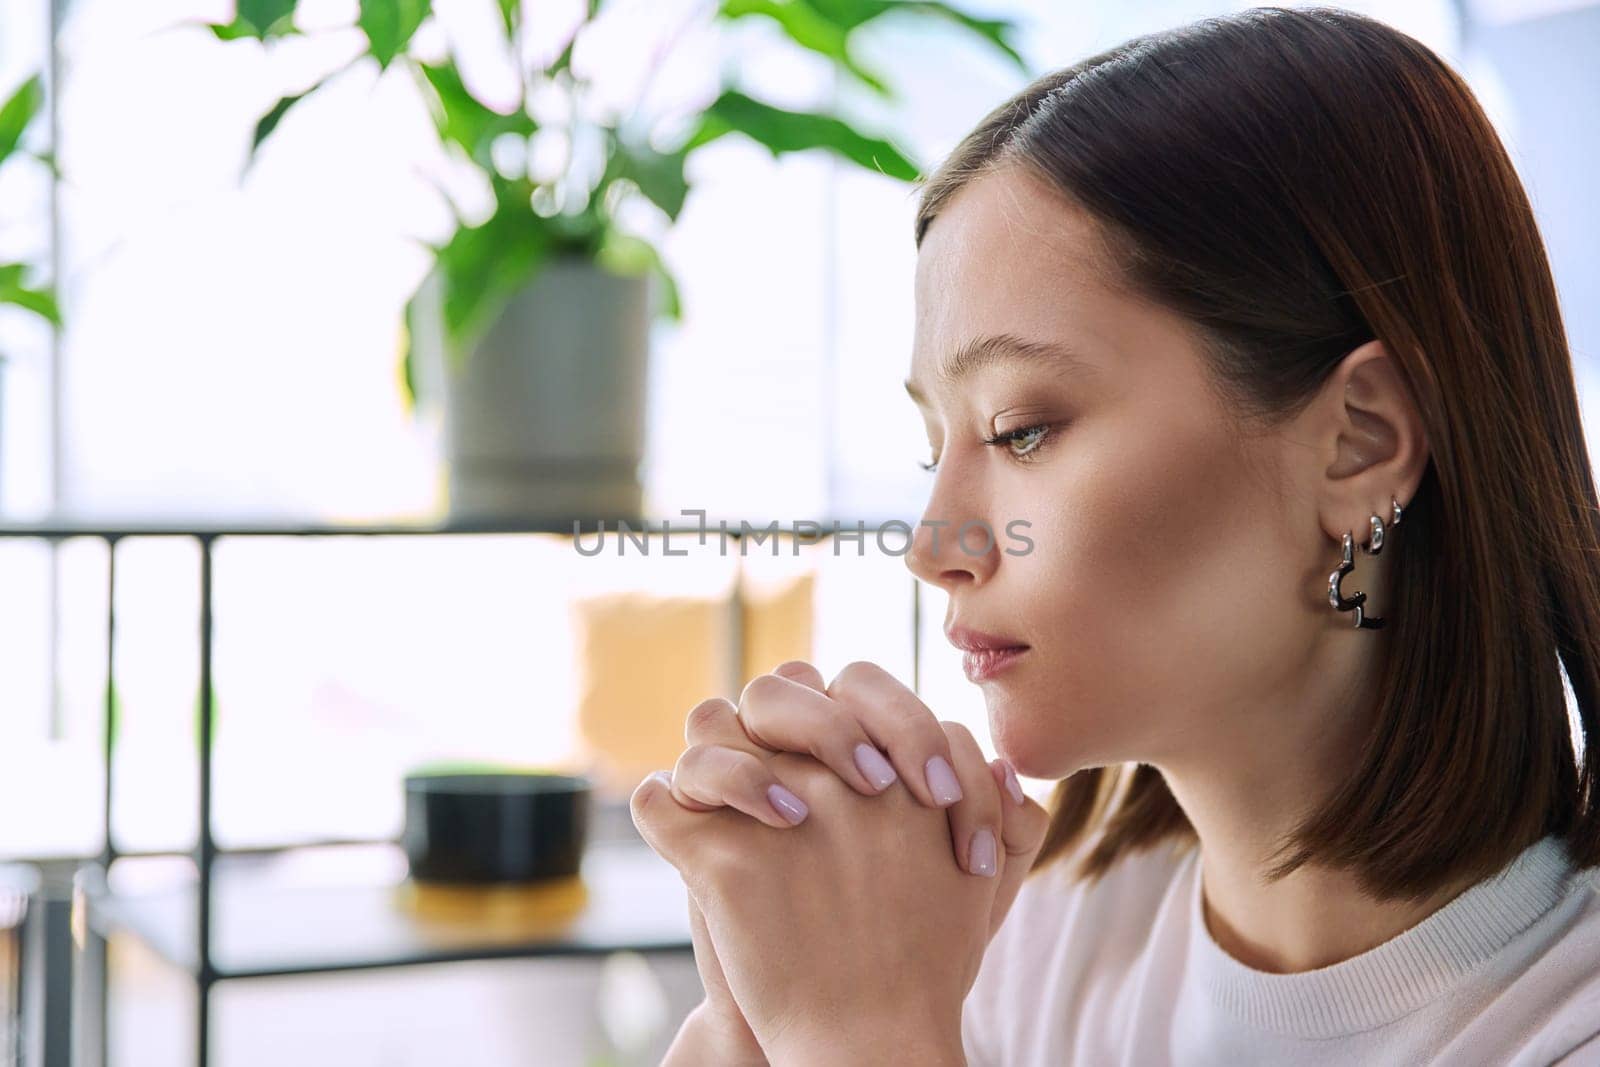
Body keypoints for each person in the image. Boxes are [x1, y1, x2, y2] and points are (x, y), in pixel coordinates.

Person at [628, 6, 1600, 1064]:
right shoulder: (1028, 940)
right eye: (931, 444)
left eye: (1020, 429)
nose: (931, 543)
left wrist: (857, 1032)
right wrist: (756, 1006)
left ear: (1357, 442)